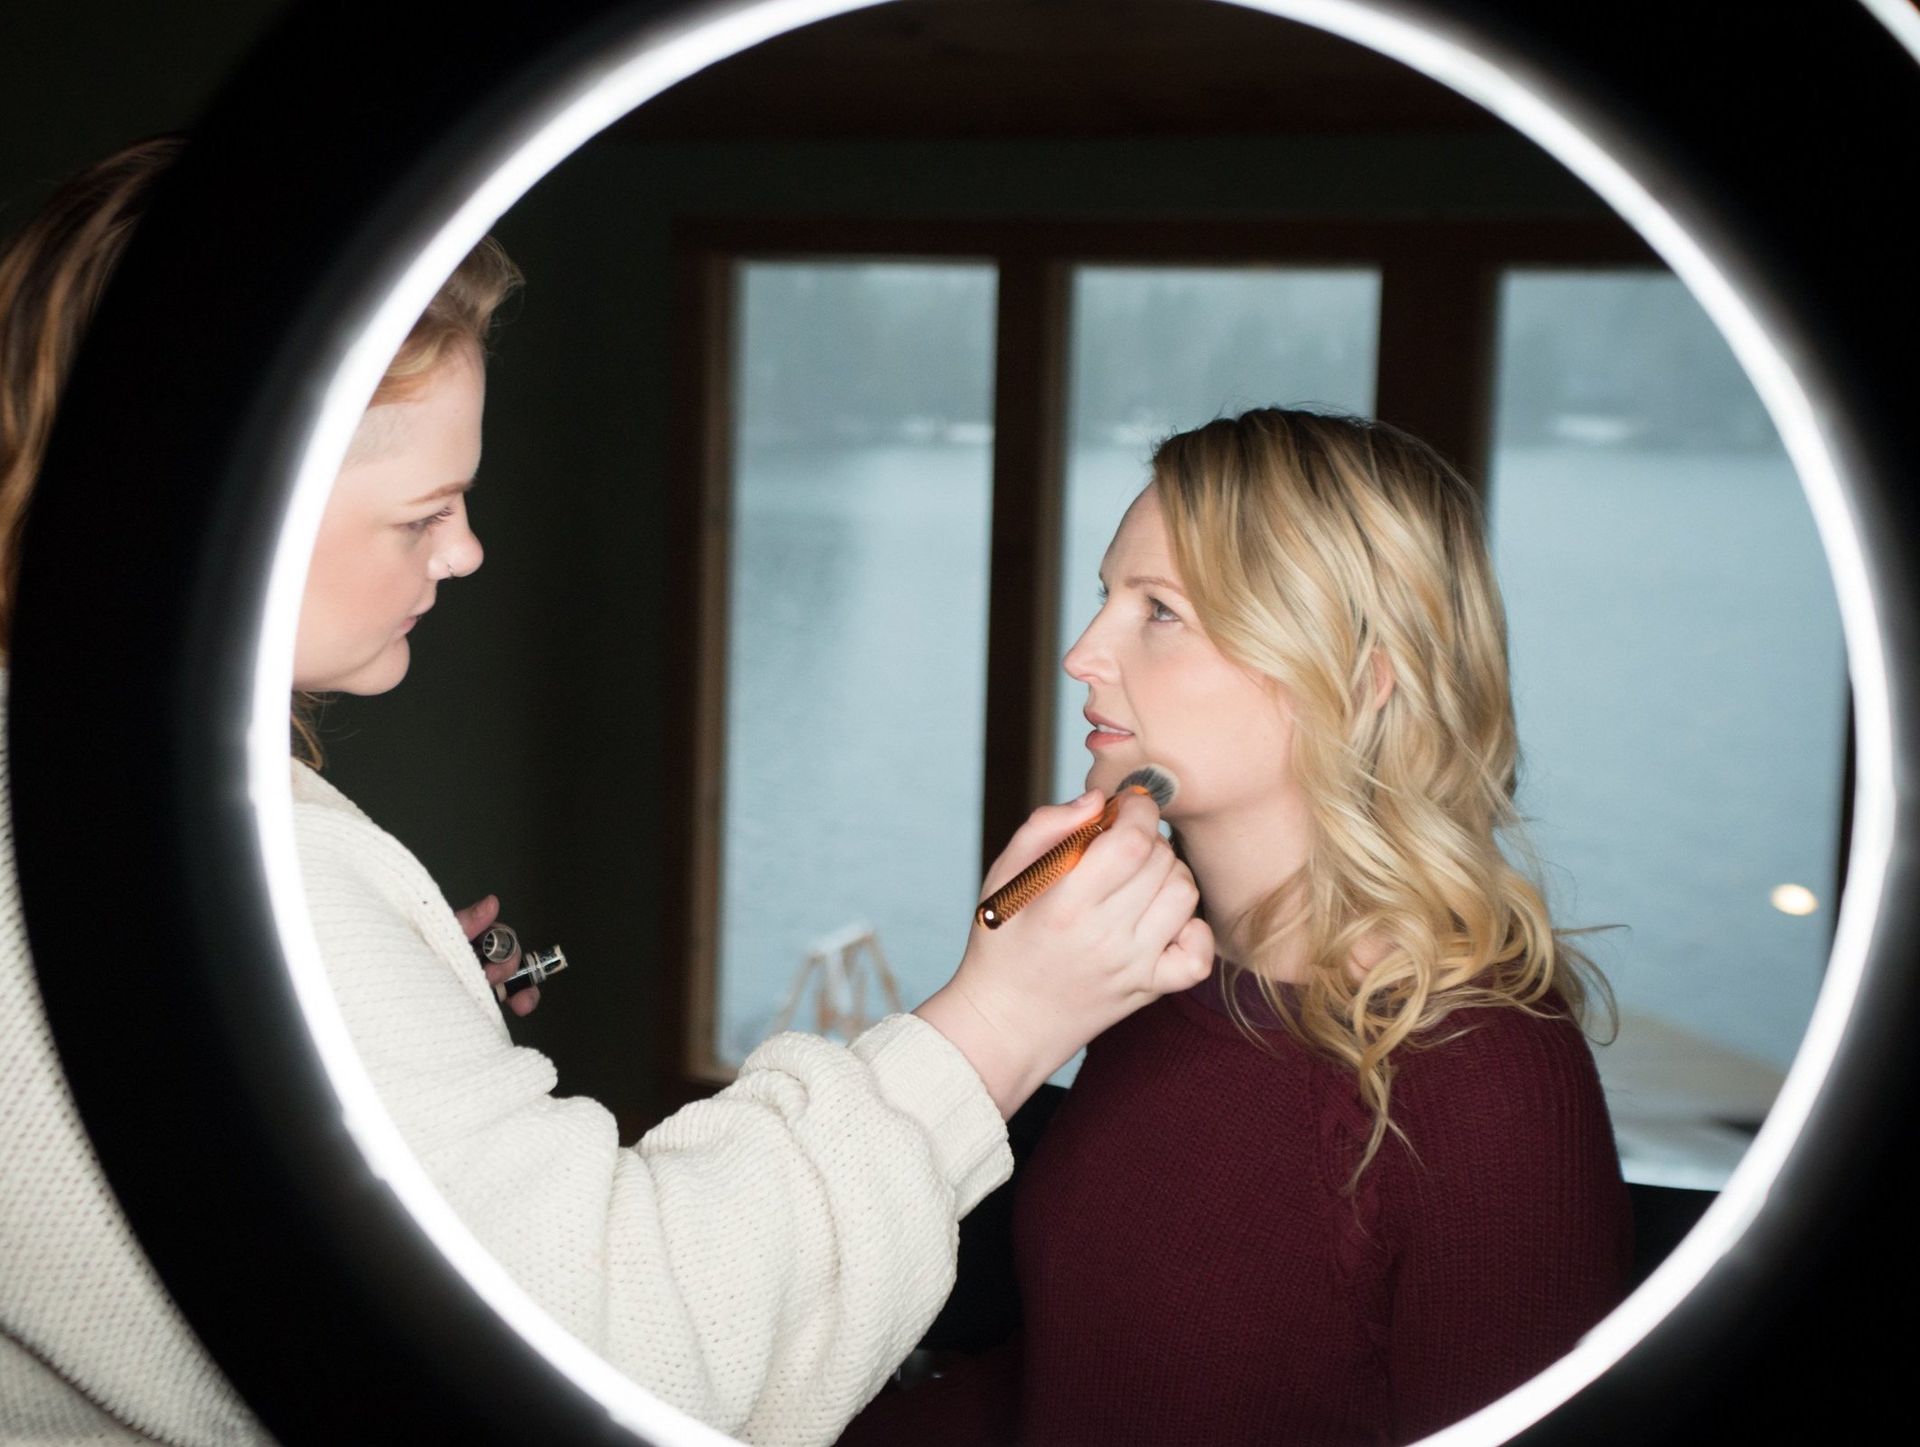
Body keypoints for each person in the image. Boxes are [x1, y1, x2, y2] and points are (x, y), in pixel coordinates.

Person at [0, 140, 1215, 1446]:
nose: (466, 550)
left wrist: (404, 1039)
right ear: (209, 502)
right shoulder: (199, 878)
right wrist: (1001, 1018)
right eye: (425, 512)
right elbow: (616, 1362)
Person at [842, 408, 1634, 1447]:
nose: (1083, 655)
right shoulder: (1165, 988)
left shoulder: (1489, 1082)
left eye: (1158, 611)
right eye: (1105, 599)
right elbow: (1081, 1381)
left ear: (1359, 676)